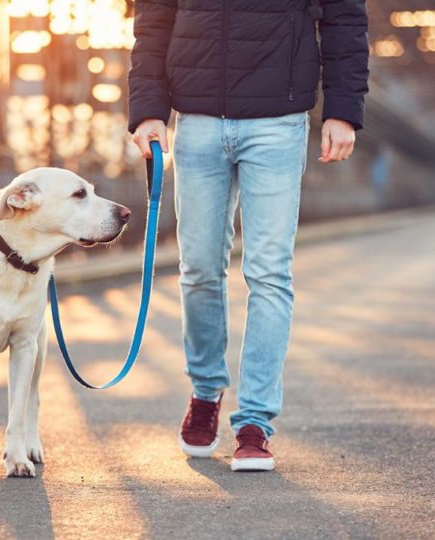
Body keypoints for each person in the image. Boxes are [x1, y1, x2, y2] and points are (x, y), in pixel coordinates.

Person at [128, 0, 369, 471]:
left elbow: (345, 18)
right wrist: (147, 110)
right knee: (197, 268)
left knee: (269, 273)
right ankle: (204, 392)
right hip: (196, 120)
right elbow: (153, 18)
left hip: (278, 122)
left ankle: (255, 422)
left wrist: (343, 109)